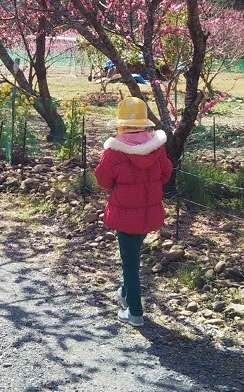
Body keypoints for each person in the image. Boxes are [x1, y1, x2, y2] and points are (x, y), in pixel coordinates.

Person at [94, 96, 172, 327]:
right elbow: (166, 174)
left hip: (125, 214)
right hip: (149, 212)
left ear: (121, 124)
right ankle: (126, 294)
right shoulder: (157, 148)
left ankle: (135, 312)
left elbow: (103, 179)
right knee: (133, 256)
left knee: (129, 263)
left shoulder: (115, 151)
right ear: (144, 122)